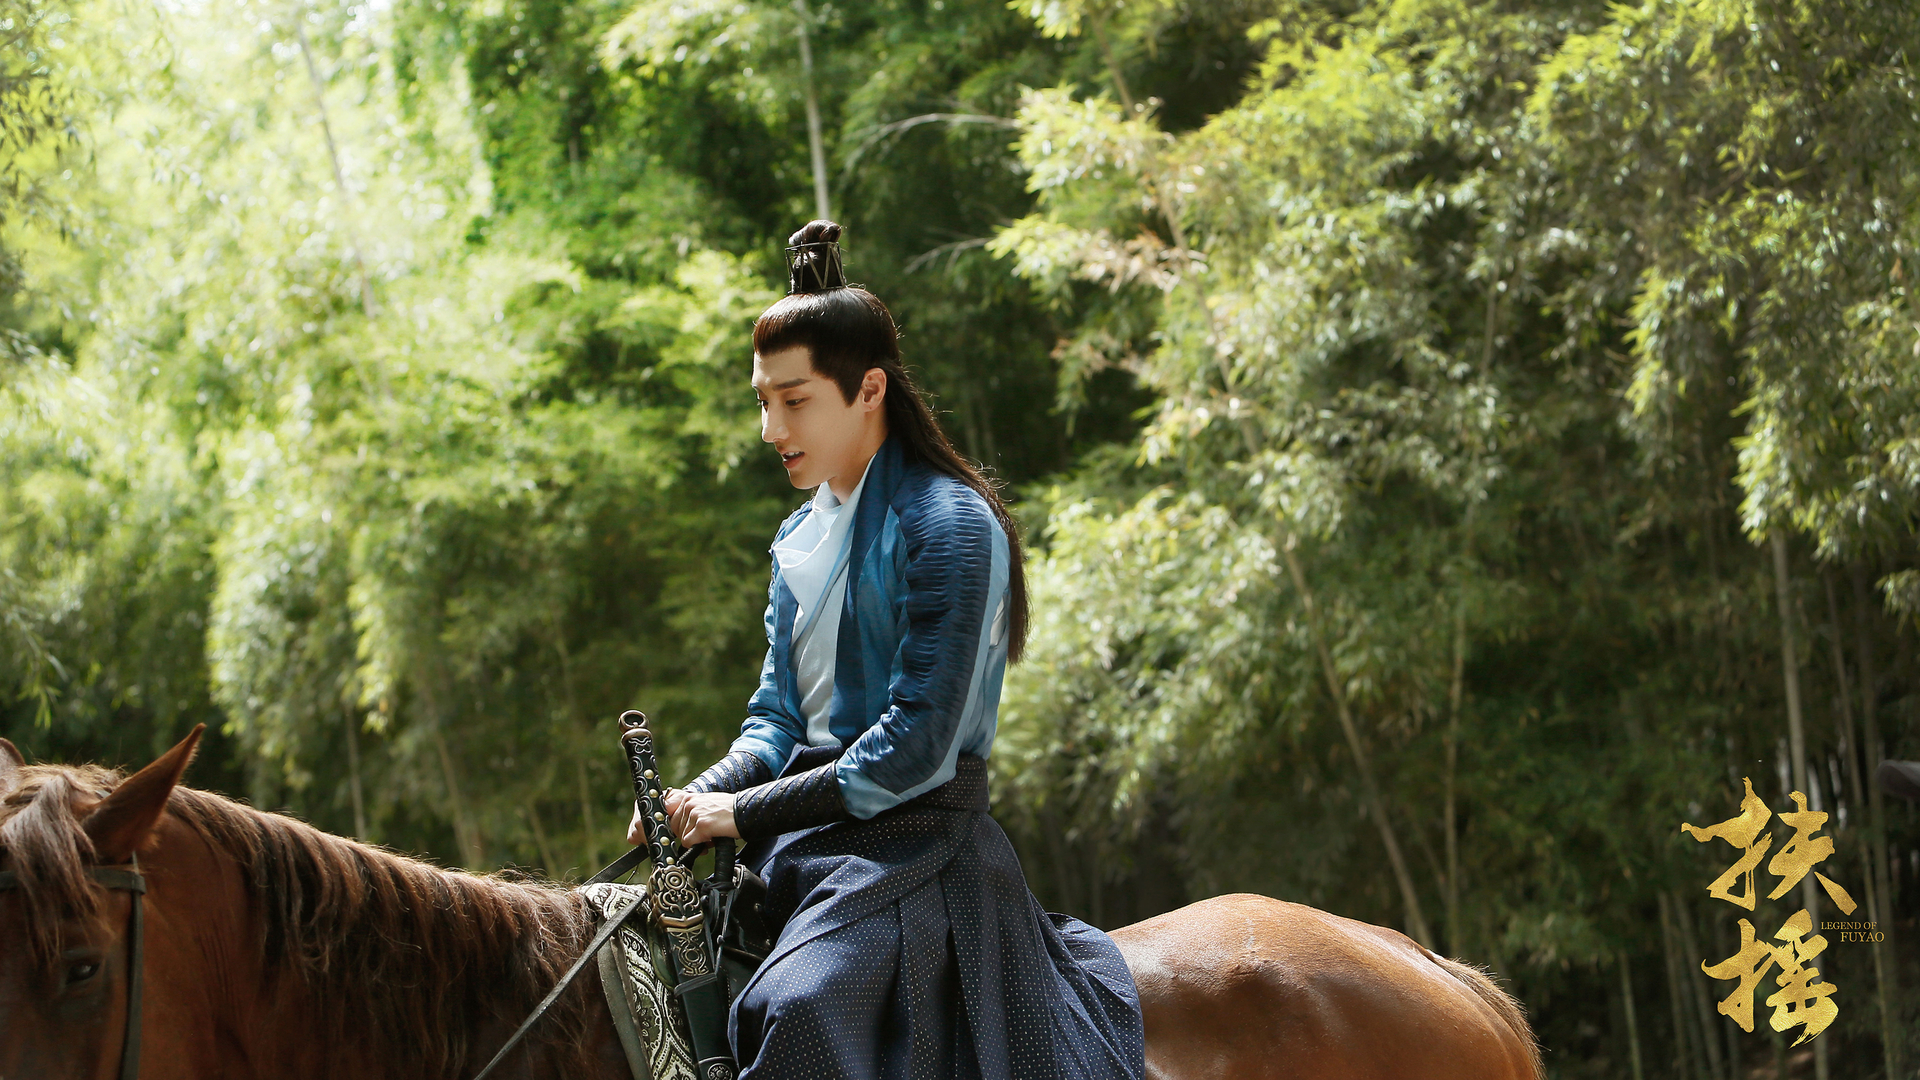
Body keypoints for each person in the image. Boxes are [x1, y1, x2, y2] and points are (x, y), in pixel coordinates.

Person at [626, 220, 1146, 1080]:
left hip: (916, 845)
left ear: (868, 389)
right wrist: (695, 798)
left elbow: (914, 747)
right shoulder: (798, 538)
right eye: (762, 401)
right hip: (803, 843)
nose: (770, 429)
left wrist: (741, 814)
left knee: (797, 1004)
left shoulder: (950, 524)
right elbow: (776, 720)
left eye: (794, 401)